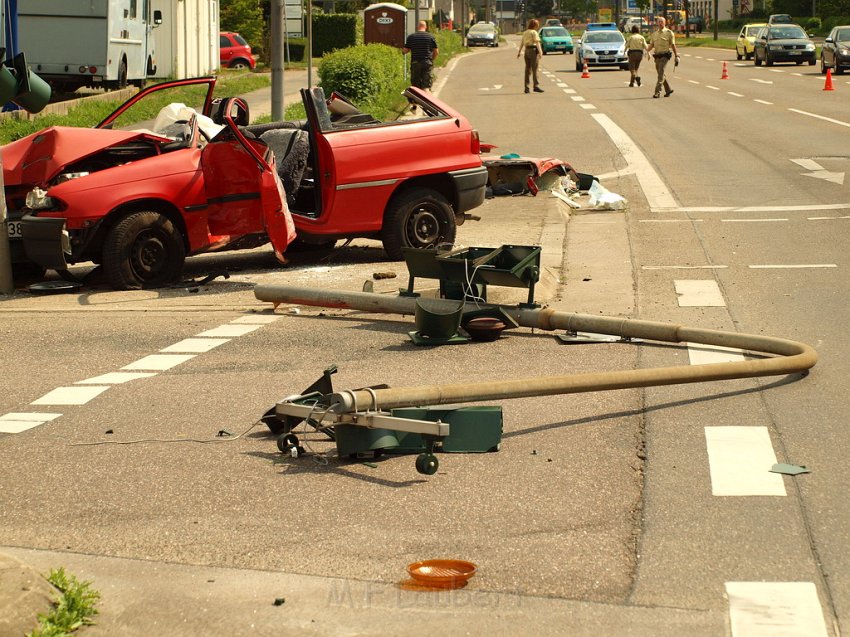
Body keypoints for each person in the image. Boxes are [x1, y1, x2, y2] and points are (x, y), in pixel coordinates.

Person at [404, 21, 439, 110]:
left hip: (415, 63)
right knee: (426, 87)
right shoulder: (430, 37)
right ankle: (431, 107)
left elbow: (405, 51)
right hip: (427, 63)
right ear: (426, 27)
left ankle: (414, 106)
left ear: (417, 27)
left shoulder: (411, 37)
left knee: (415, 87)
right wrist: (431, 60)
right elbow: (436, 52)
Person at [646, 16, 679, 98]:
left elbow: (673, 45)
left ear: (665, 23)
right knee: (661, 73)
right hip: (657, 56)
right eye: (659, 21)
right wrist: (646, 51)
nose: (660, 23)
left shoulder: (669, 33)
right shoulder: (654, 34)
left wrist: (676, 55)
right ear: (657, 23)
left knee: (660, 74)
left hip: (665, 56)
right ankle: (668, 89)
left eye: (662, 21)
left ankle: (657, 92)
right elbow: (651, 45)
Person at [517, 18, 544, 94]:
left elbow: (522, 42)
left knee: (527, 69)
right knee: (535, 69)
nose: (538, 26)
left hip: (526, 51)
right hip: (533, 50)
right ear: (535, 25)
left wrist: (519, 52)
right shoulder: (534, 32)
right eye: (537, 25)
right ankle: (536, 86)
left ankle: (526, 87)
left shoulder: (525, 32)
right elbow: (537, 42)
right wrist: (541, 52)